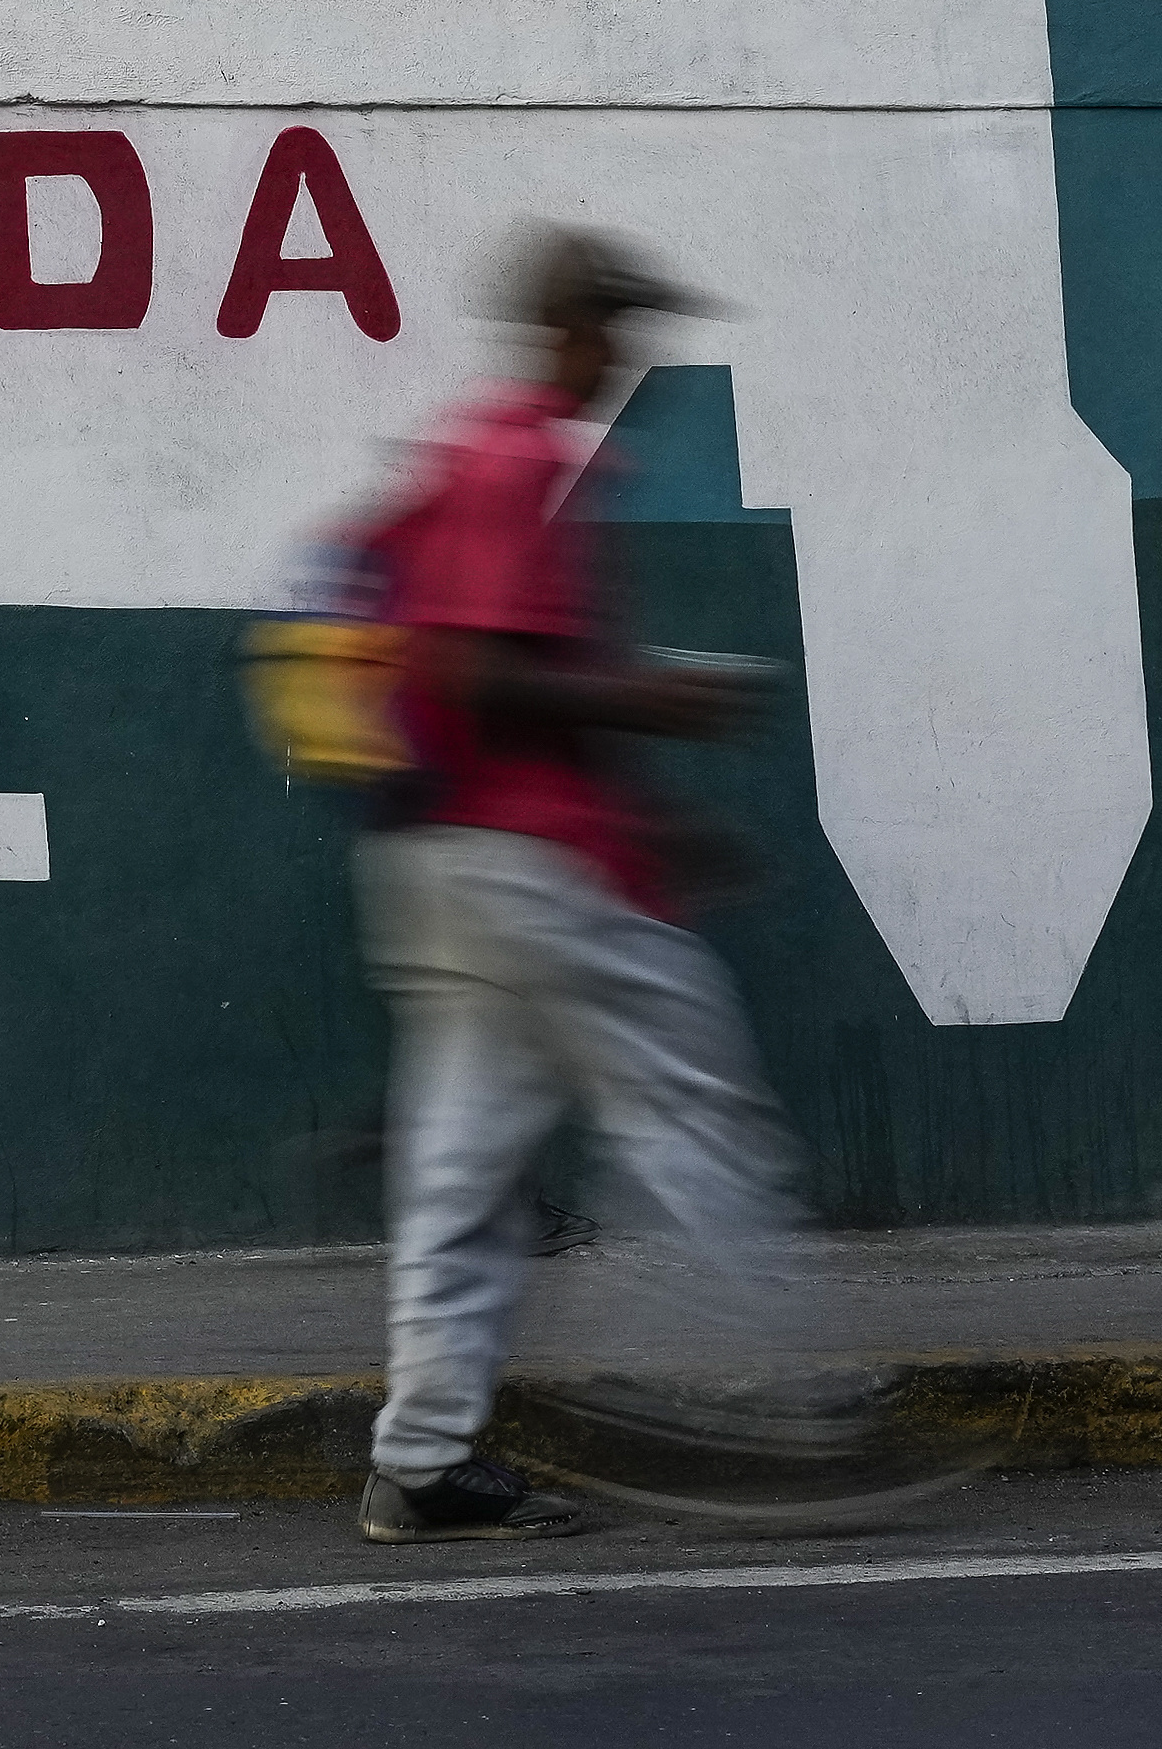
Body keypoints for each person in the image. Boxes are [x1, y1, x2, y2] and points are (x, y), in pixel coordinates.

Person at [343, 226, 814, 1547]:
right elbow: (477, 674)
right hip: (525, 866)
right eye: (624, 329)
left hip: (444, 862)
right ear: (580, 332)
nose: (635, 357)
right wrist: (659, 698)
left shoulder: (476, 452)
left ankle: (423, 1463)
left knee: (462, 1175)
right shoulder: (520, 460)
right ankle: (775, 1405)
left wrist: (654, 821)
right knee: (700, 1103)